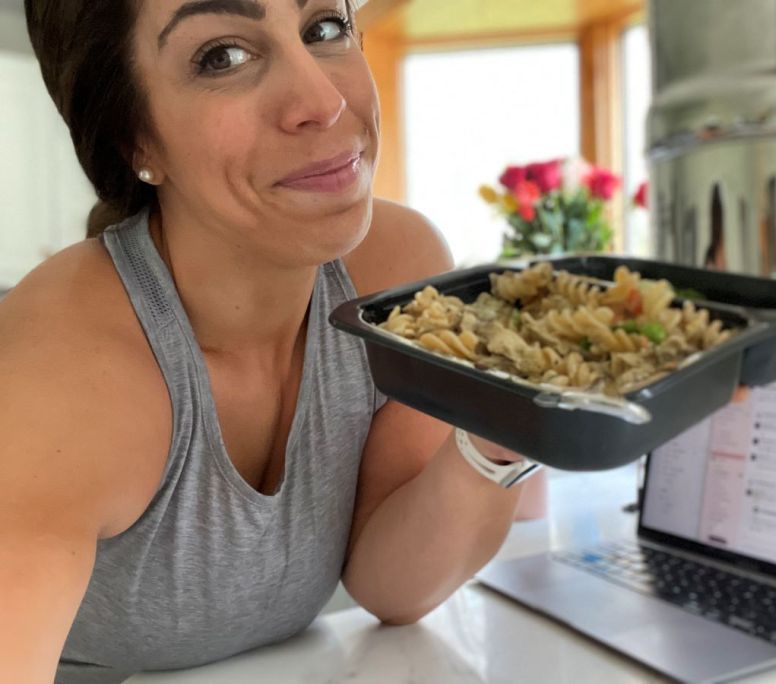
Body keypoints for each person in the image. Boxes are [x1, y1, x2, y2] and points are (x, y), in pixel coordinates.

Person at [2, 1, 534, 681]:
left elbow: (394, 586)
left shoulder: (397, 273)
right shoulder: (66, 364)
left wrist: (503, 425)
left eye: (324, 28)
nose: (323, 98)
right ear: (137, 137)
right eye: (221, 56)